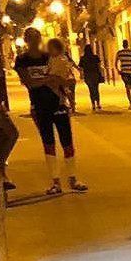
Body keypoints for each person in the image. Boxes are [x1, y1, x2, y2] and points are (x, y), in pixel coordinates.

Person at [13, 27, 88, 195]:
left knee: (67, 141)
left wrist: (52, 80)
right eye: (31, 38)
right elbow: (29, 82)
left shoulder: (50, 57)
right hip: (39, 106)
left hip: (59, 103)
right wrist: (50, 79)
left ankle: (73, 178)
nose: (34, 41)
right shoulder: (22, 60)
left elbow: (66, 80)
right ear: (26, 40)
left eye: (37, 37)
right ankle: (55, 182)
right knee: (48, 142)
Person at [47, 38, 78, 113]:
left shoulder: (61, 59)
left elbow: (55, 73)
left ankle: (70, 105)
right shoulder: (53, 58)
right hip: (57, 85)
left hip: (58, 84)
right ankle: (71, 104)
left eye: (51, 48)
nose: (49, 50)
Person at [78, 44, 105, 111]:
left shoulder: (83, 58)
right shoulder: (95, 57)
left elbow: (80, 67)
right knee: (96, 89)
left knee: (91, 90)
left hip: (87, 75)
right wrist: (101, 74)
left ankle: (93, 105)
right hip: (95, 74)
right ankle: (98, 104)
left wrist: (81, 75)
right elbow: (99, 66)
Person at [114, 40, 131, 109]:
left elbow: (115, 63)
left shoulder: (119, 53)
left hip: (125, 72)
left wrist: (118, 70)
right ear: (127, 44)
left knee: (128, 87)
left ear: (123, 45)